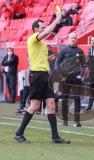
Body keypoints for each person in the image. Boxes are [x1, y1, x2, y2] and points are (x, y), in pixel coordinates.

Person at [14, 12, 70, 144]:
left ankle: (55, 137)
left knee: (51, 104)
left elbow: (37, 56)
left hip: (45, 75)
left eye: (45, 27)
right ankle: (19, 133)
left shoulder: (41, 42)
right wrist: (57, 19)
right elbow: (47, 32)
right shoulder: (33, 37)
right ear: (36, 29)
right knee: (35, 105)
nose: (44, 29)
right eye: (42, 27)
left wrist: (47, 58)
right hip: (37, 75)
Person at [55, 32, 86, 127]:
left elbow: (84, 65)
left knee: (77, 98)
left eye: (75, 38)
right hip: (65, 78)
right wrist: (60, 74)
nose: (73, 39)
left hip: (76, 79)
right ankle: (65, 119)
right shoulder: (64, 50)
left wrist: (81, 75)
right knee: (65, 98)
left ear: (77, 39)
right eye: (72, 38)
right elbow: (56, 63)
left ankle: (77, 121)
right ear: (69, 39)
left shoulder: (80, 51)